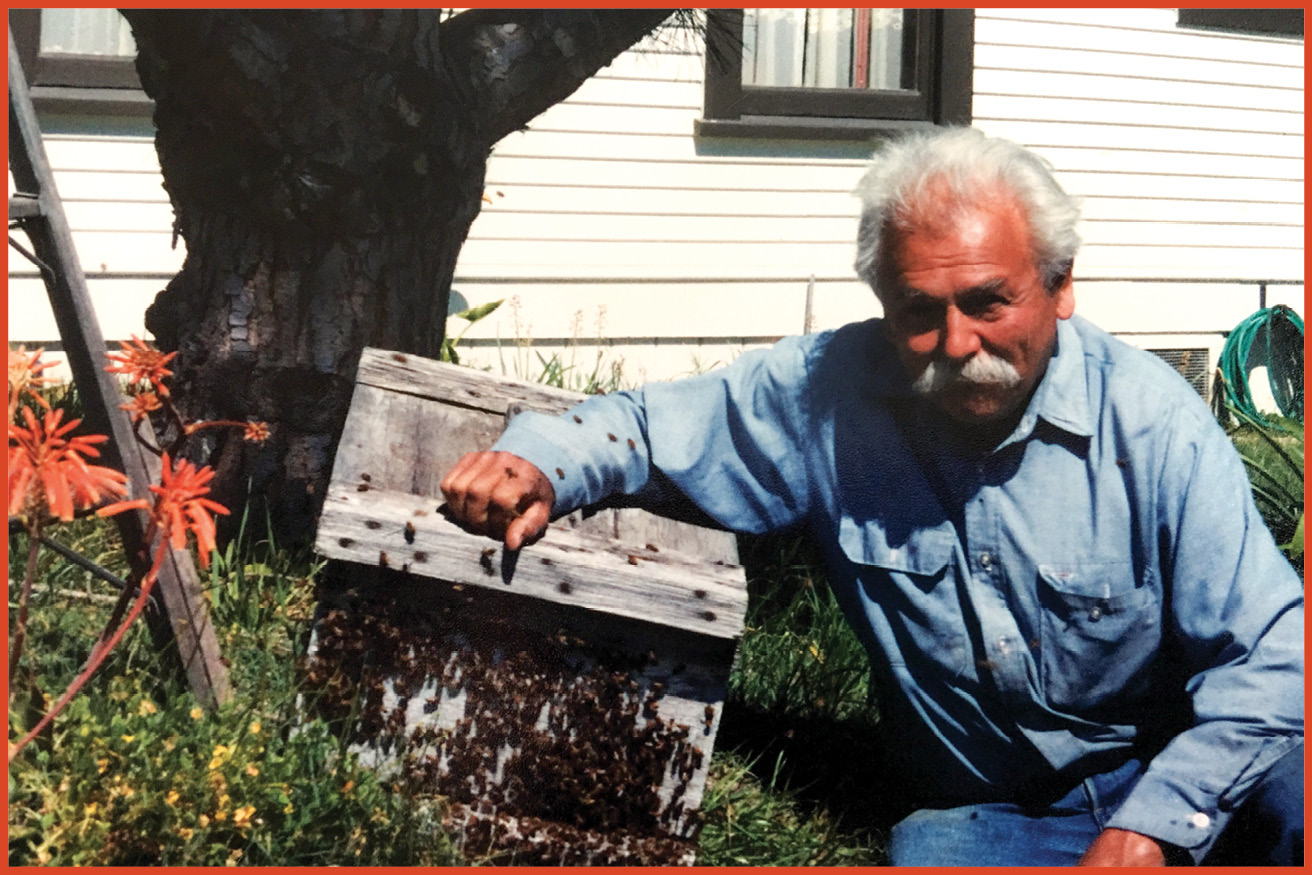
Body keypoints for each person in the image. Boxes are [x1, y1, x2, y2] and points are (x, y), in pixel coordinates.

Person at [439, 127, 1303, 866]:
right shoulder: (828, 392)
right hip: (985, 813)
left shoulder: (1154, 422)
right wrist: (537, 461)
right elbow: (651, 423)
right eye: (919, 309)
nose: (956, 343)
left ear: (1061, 282)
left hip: (1178, 770)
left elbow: (1272, 656)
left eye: (987, 301)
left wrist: (1151, 831)